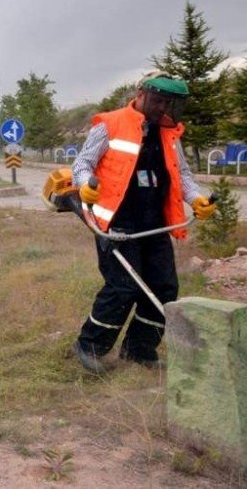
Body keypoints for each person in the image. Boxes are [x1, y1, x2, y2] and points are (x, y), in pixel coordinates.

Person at [71, 71, 215, 374]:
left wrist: (196, 199)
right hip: (118, 223)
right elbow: (82, 163)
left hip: (155, 222)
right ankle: (89, 346)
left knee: (164, 288)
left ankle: (139, 350)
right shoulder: (110, 124)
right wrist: (85, 185)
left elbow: (183, 175)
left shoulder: (168, 133)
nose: (162, 107)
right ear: (140, 94)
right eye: (158, 100)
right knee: (123, 287)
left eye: (168, 103)